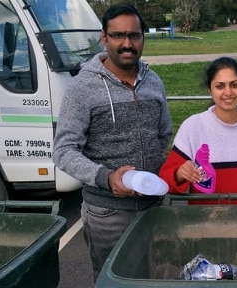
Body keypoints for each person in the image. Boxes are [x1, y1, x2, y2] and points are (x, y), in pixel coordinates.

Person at [52, 3, 172, 283]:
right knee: (113, 281)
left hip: (154, 207)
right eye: (118, 36)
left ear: (143, 37)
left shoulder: (154, 81)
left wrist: (158, 172)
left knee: (157, 277)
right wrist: (107, 178)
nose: (127, 43)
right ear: (104, 38)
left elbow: (163, 133)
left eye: (134, 35)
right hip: (107, 214)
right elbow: (63, 150)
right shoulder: (82, 87)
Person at [159, 57, 237, 205]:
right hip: (204, 223)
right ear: (210, 89)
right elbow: (166, 180)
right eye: (220, 86)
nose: (228, 92)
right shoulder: (193, 127)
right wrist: (179, 174)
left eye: (234, 85)